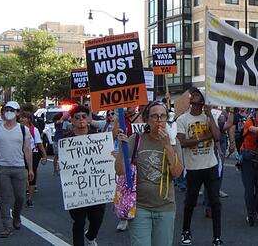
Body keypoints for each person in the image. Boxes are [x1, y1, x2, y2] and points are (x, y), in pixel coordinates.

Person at [115, 100, 183, 246]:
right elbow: (120, 171)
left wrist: (167, 145)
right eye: (154, 116)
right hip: (140, 207)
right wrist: (122, 148)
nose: (159, 120)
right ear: (146, 119)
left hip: (166, 207)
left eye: (163, 116)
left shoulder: (173, 142)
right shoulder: (137, 139)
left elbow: (177, 173)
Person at [176, 88, 223, 246]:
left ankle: (217, 237)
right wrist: (204, 137)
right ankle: (186, 231)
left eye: (197, 96)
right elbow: (183, 142)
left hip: (210, 166)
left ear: (202, 102)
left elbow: (217, 137)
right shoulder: (183, 119)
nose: (193, 98)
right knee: (190, 202)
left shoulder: (208, 117)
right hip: (193, 168)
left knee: (215, 202)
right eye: (193, 96)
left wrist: (210, 115)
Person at [64, 105, 107, 246]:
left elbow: (105, 158)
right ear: (72, 120)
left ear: (89, 118)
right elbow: (65, 163)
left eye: (84, 116)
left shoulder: (98, 138)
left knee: (97, 218)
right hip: (76, 190)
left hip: (96, 188)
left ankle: (90, 236)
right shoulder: (66, 141)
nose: (81, 119)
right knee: (79, 221)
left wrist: (110, 156)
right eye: (77, 117)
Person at [0, 101, 34, 238]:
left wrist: (30, 169)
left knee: (20, 197)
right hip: (2, 168)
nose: (9, 112)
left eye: (12, 110)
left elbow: (27, 150)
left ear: (18, 113)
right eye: (7, 109)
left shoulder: (23, 130)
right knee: (5, 198)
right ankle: (7, 226)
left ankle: (16, 216)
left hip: (19, 167)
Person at [239, 108, 258, 225]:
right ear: (255, 111)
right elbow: (251, 129)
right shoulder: (250, 121)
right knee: (249, 188)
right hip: (248, 158)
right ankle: (251, 213)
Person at [20, 111, 47, 206]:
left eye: (24, 117)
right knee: (23, 173)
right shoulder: (17, 129)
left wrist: (44, 155)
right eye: (21, 117)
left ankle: (30, 198)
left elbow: (39, 143)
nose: (21, 119)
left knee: (32, 173)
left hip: (33, 153)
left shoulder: (33, 129)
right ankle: (25, 190)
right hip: (20, 153)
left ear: (29, 119)